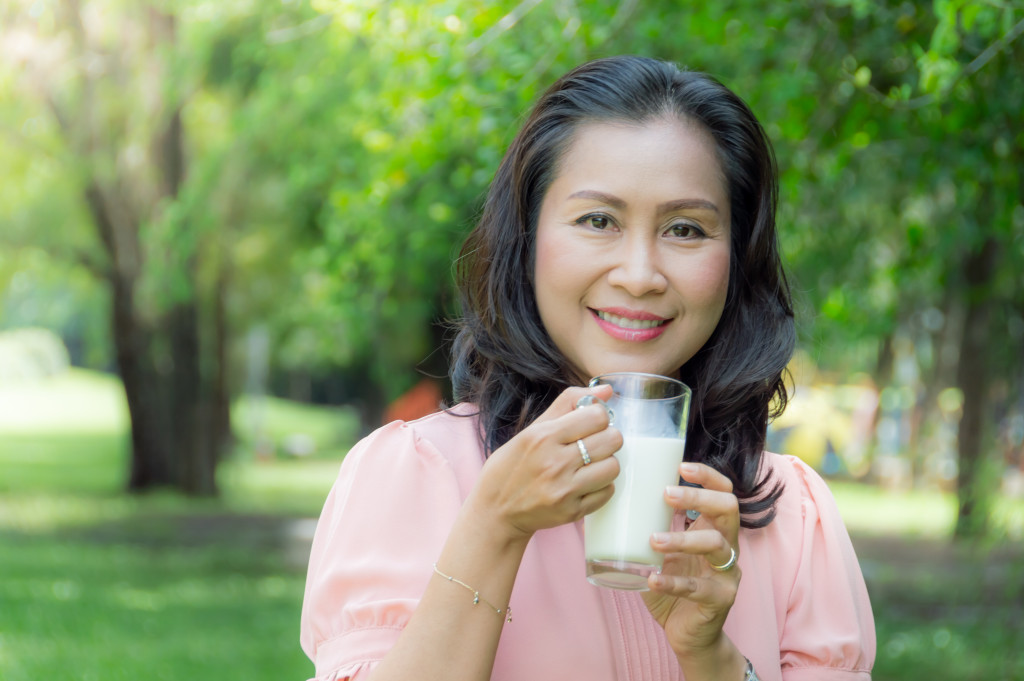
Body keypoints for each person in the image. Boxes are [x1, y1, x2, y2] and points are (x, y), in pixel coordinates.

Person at [300, 55, 875, 681]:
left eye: (685, 229)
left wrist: (711, 657)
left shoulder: (788, 516)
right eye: (597, 220)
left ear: (736, 258)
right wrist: (495, 523)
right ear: (527, 238)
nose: (639, 275)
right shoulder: (417, 476)